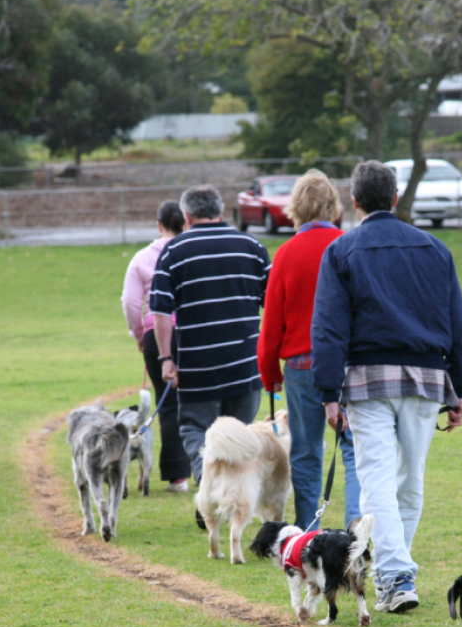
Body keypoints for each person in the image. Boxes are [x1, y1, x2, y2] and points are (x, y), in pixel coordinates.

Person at [311, 160, 462, 613]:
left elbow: (327, 328)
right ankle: (395, 575)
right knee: (409, 482)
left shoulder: (342, 251)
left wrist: (328, 392)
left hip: (366, 380)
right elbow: (461, 326)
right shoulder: (434, 248)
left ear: (355, 201)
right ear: (397, 197)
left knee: (377, 481)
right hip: (425, 378)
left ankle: (395, 575)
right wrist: (459, 386)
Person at [257, 169, 360, 530]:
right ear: (334, 206)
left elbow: (271, 323)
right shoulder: (351, 245)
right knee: (353, 448)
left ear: (295, 208)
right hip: (350, 363)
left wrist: (269, 372)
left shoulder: (285, 254)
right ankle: (356, 528)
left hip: (301, 366)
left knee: (305, 451)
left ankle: (306, 532)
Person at [150, 185, 270, 485]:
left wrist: (166, 358)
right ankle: (228, 498)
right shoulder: (252, 247)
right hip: (244, 364)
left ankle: (210, 488)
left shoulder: (174, 252)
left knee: (194, 428)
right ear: (221, 211)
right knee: (239, 433)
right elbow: (272, 305)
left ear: (187, 215)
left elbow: (161, 313)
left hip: (197, 366)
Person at [122, 200, 191, 492]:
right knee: (197, 401)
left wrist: (140, 336)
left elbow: (131, 303)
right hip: (191, 333)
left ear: (158, 224)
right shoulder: (191, 252)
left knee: (168, 403)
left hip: (156, 333)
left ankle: (178, 477)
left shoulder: (140, 258)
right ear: (185, 223)